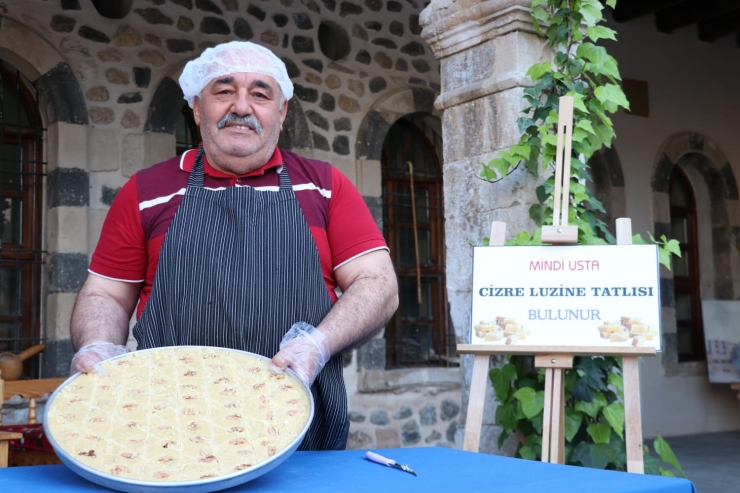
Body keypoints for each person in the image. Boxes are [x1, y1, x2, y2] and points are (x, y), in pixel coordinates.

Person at [68, 41, 399, 451]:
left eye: (260, 94)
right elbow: (106, 294)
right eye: (224, 91)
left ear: (281, 113)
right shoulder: (146, 191)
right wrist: (98, 344)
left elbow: (377, 283)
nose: (241, 107)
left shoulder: (325, 187)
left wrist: (319, 343)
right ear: (196, 107)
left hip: (297, 419)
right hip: (169, 424)